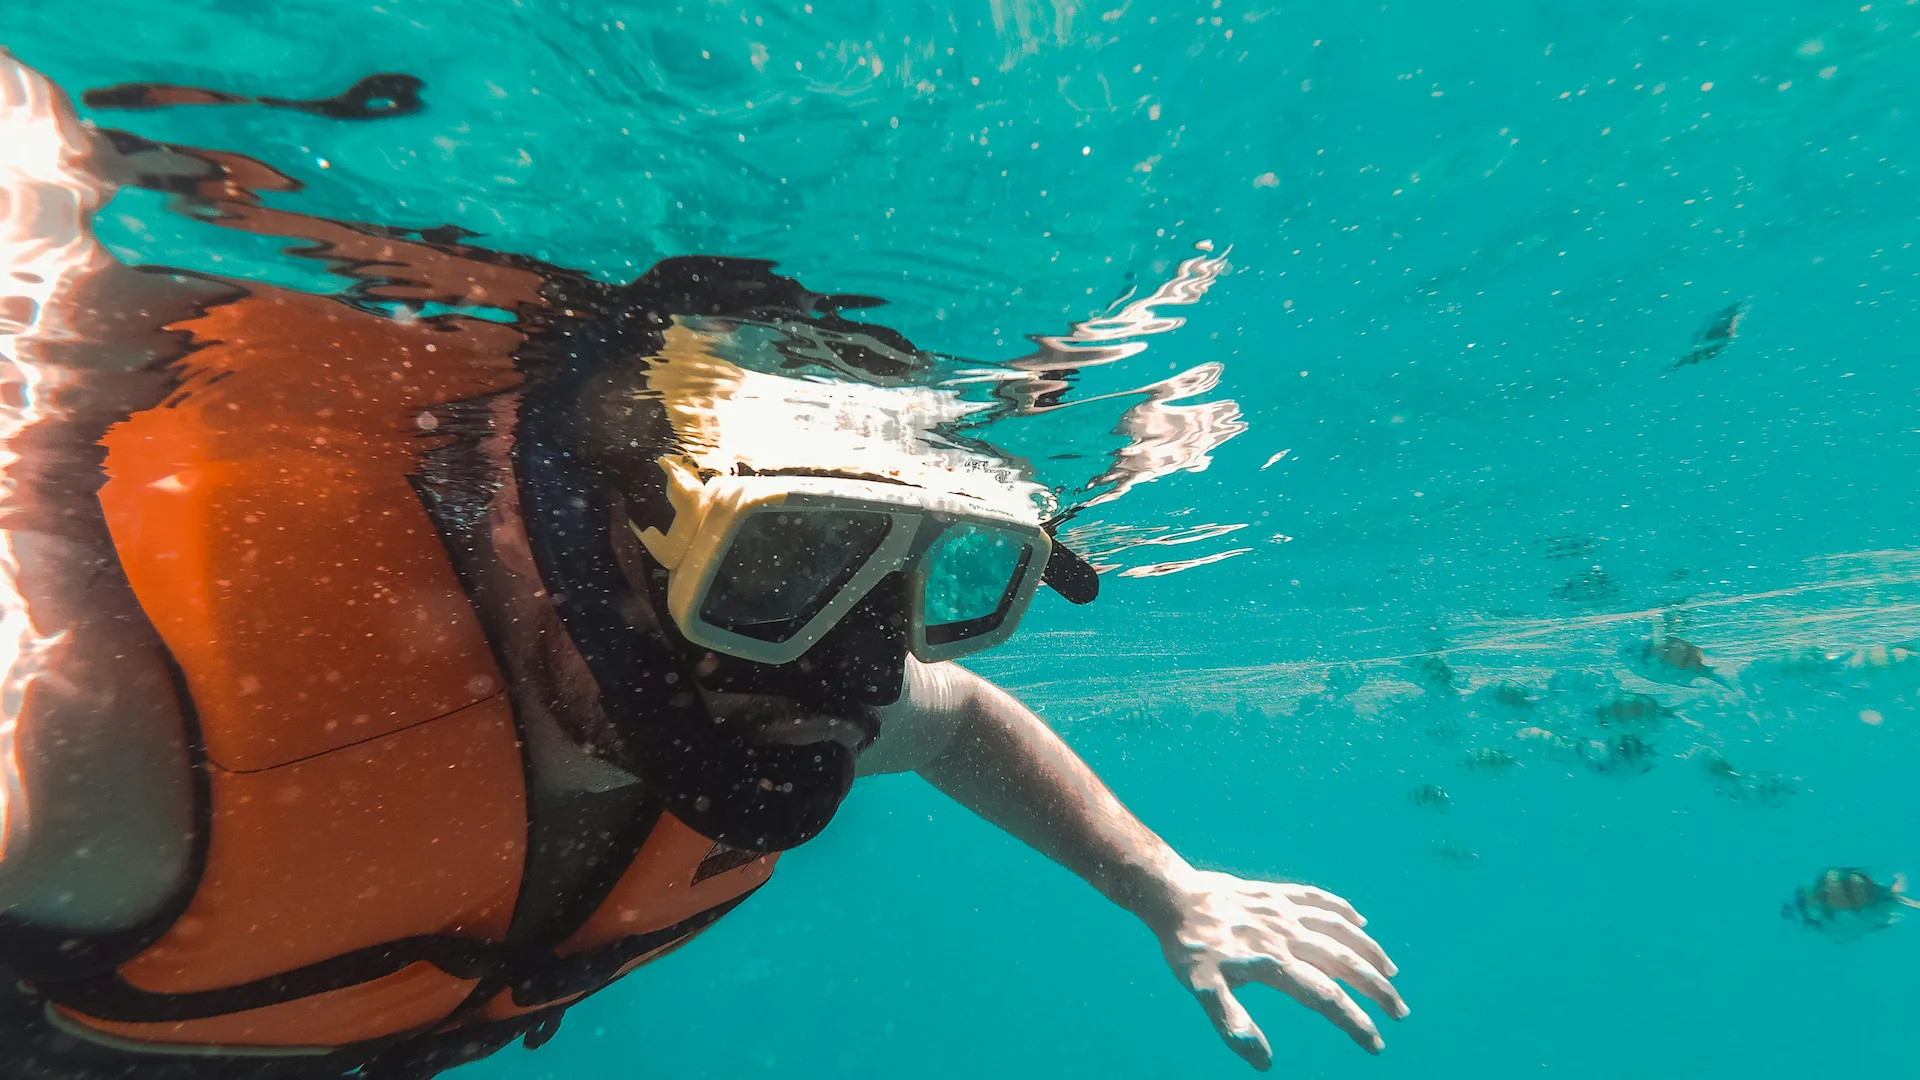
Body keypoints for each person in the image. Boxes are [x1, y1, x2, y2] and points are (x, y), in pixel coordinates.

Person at [0, 52, 1407, 1078]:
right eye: (784, 560)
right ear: (598, 532)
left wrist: (1163, 883)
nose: (860, 660)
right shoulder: (112, 762)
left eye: (942, 581)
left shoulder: (779, 681)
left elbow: (961, 716)